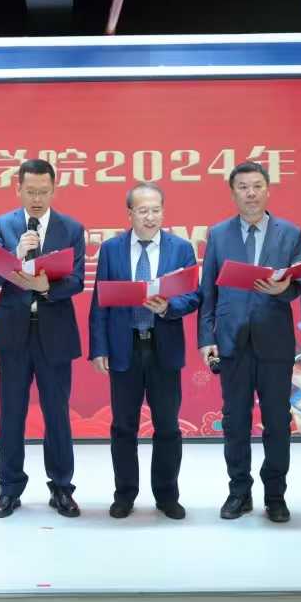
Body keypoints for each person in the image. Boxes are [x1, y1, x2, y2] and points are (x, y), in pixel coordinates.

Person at [198, 162, 301, 523]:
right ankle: (239, 492)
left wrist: (283, 289)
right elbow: (208, 290)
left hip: (275, 342)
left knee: (277, 421)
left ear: (268, 190)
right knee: (235, 421)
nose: (251, 193)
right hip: (231, 342)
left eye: (257, 186)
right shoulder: (219, 234)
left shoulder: (290, 233)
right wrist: (206, 337)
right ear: (233, 193)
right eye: (243, 187)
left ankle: (275, 495)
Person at [88, 182, 198, 520]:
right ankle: (125, 494)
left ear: (164, 211)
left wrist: (168, 307)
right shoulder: (112, 249)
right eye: (143, 211)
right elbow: (100, 301)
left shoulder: (181, 248)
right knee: (123, 426)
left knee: (167, 427)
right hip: (125, 348)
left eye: (156, 210)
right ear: (130, 213)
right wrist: (99, 347)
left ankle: (167, 495)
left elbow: (194, 296)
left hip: (164, 347)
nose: (150, 217)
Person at [0, 158, 86, 519]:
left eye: (43, 192)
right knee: (11, 413)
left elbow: (77, 281)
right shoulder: (4, 225)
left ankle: (62, 487)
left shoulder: (71, 228)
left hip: (55, 332)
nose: (37, 199)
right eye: (30, 192)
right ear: (18, 190)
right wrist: (15, 255)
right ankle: (9, 488)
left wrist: (46, 286)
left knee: (57, 413)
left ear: (54, 190)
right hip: (14, 333)